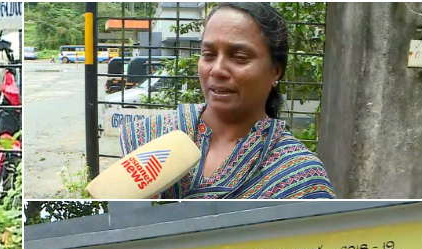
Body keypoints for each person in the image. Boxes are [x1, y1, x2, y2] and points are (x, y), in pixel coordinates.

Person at [119, 3, 336, 199]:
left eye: (240, 58)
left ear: (275, 71)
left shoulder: (299, 175)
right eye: (208, 54)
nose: (217, 70)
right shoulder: (153, 138)